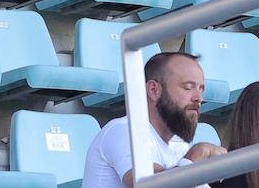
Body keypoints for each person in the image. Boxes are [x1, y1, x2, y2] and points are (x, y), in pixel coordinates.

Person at [84, 52, 226, 188]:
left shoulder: (179, 146)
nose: (198, 98)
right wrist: (197, 155)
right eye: (188, 87)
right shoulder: (124, 131)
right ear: (154, 90)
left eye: (201, 89)